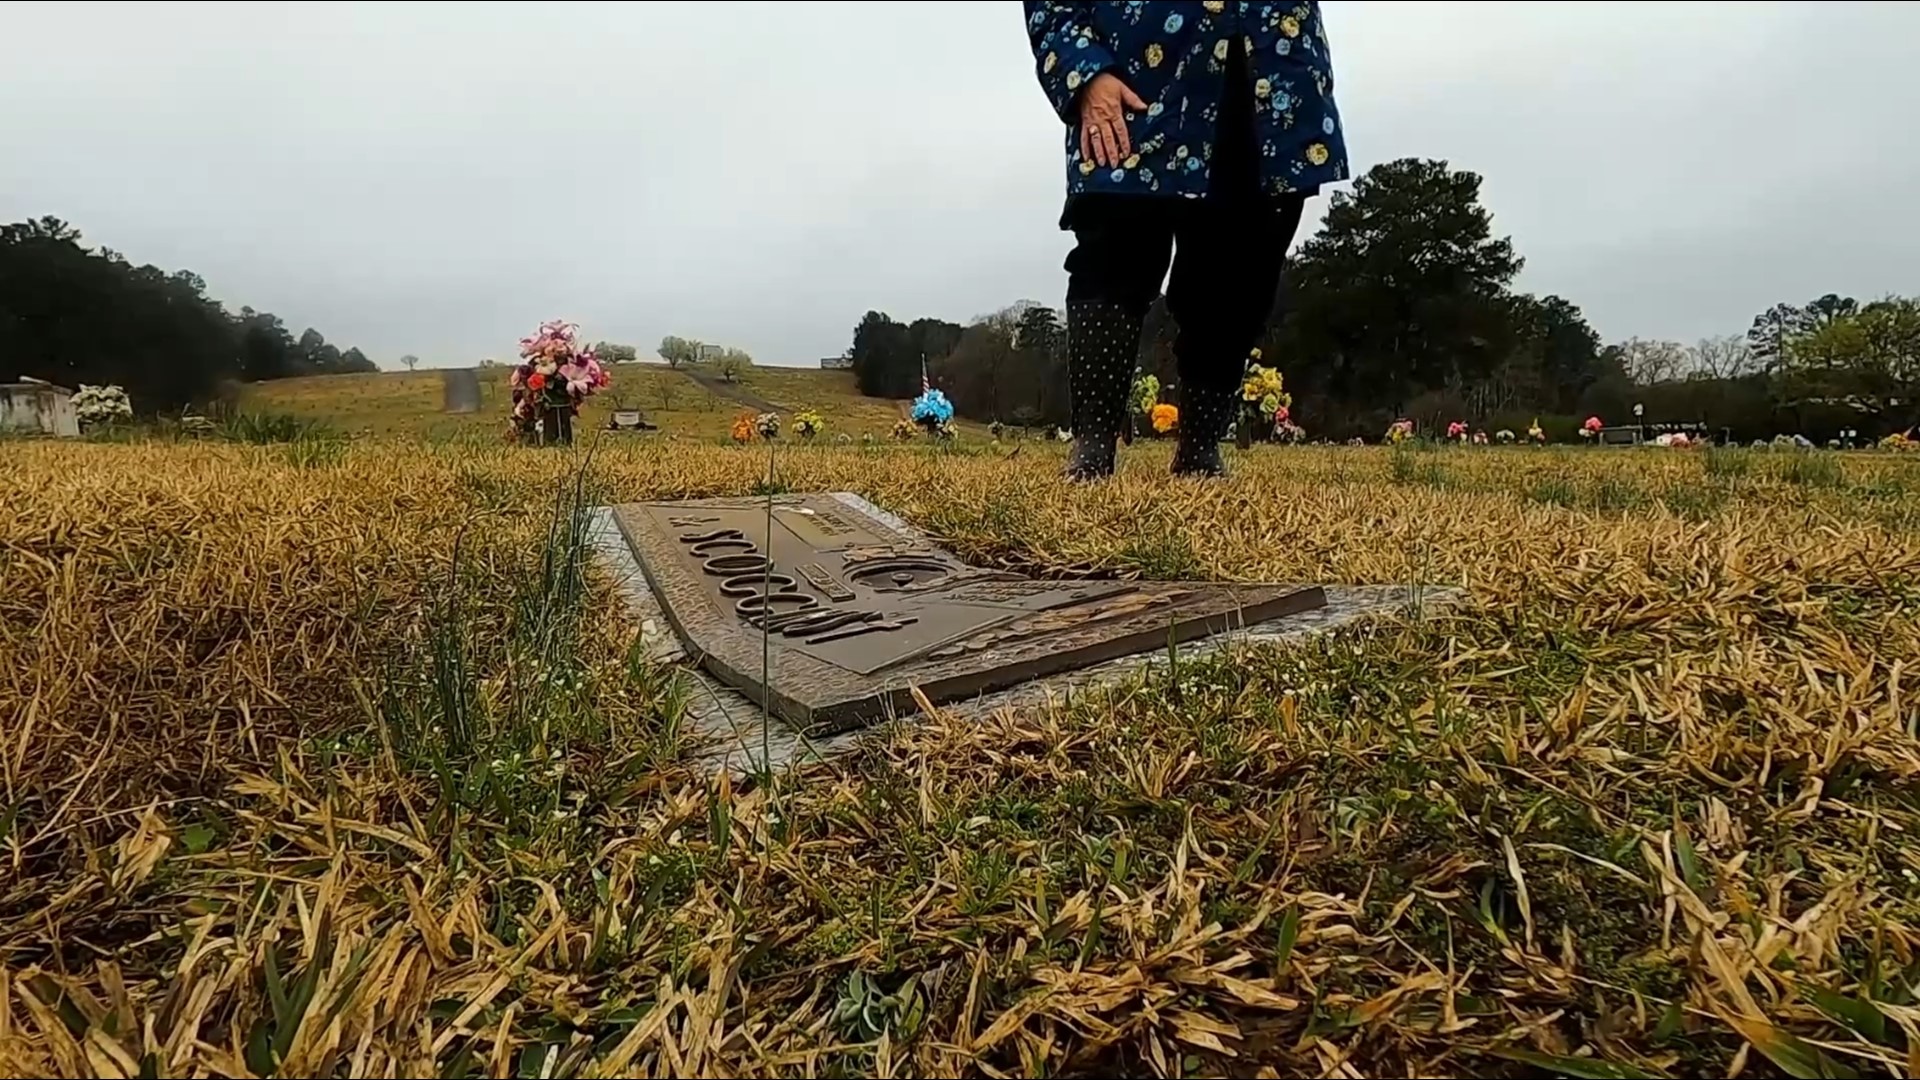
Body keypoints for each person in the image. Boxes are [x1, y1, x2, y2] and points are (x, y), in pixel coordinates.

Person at [1022, 2, 1349, 479]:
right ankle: (1092, 448)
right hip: (1132, 71)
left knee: (1240, 268)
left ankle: (1201, 448)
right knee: (1114, 251)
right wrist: (1084, 72)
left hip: (1267, 72)